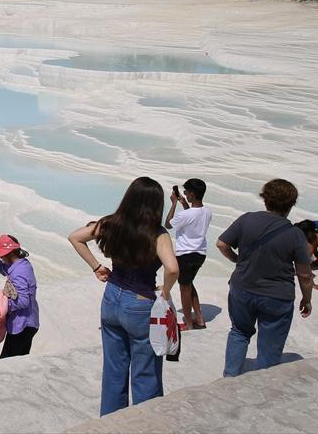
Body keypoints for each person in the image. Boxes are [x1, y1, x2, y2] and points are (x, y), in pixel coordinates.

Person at [68, 177, 179, 416]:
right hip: (140, 303)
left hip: (111, 298)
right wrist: (166, 291)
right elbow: (172, 268)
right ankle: (143, 423)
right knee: (145, 372)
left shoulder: (110, 223)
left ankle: (110, 422)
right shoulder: (157, 234)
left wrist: (97, 267)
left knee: (114, 368)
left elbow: (75, 237)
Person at [216, 179, 313, 378]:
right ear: (292, 204)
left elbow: (221, 244)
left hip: (242, 288)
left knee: (239, 333)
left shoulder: (247, 219)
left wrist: (237, 260)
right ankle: (262, 383)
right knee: (270, 345)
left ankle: (230, 378)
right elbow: (304, 274)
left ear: (264, 198)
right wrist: (307, 299)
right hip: (277, 296)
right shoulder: (296, 235)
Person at [0, 234, 39, 358]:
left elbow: (23, 301)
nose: (0, 257)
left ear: (9, 253)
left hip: (23, 325)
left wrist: (1, 304)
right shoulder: (21, 264)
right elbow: (4, 269)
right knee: (19, 360)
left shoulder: (19, 272)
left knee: (8, 361)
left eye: (1, 254)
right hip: (28, 322)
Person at [165, 179, 213, 330]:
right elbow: (192, 216)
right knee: (189, 284)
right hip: (200, 253)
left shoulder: (185, 216)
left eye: (186, 192)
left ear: (191, 194)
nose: (184, 194)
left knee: (184, 288)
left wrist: (173, 203)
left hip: (185, 254)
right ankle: (199, 318)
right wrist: (184, 204)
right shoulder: (207, 211)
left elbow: (168, 224)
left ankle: (189, 323)